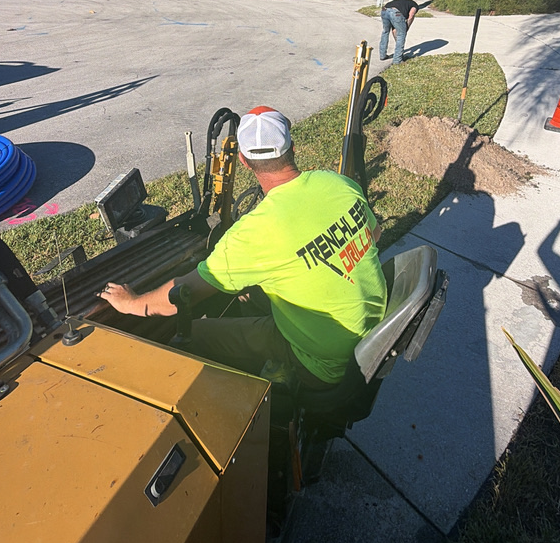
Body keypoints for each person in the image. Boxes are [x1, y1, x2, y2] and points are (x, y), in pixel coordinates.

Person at [100, 106, 387, 388]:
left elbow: (183, 294)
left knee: (196, 333)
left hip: (321, 361)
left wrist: (132, 303)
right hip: (372, 331)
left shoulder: (255, 233)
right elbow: (374, 235)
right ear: (293, 148)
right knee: (249, 296)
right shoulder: (338, 183)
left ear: (244, 161)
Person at [379, 0, 419, 64]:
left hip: (384, 10)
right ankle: (397, 60)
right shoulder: (415, 5)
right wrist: (406, 28)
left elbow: (394, 30)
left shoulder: (403, 3)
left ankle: (382, 55)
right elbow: (411, 15)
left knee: (385, 31)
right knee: (401, 35)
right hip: (396, 13)